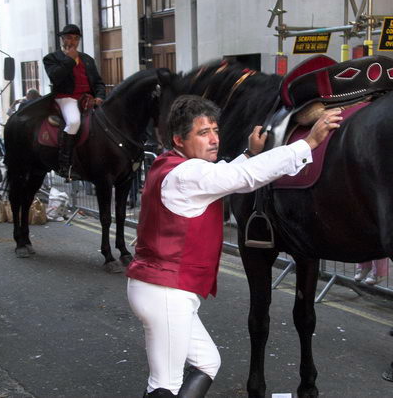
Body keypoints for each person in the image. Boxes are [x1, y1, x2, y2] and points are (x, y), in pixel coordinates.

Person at [126, 95, 342, 397]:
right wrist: (308, 144)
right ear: (178, 139)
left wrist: (248, 154)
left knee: (207, 362)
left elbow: (225, 177)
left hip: (165, 290)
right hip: (165, 292)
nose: (214, 139)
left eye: (215, 130)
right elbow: (242, 177)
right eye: (203, 133)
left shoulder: (174, 165)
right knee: (165, 385)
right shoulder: (188, 173)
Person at [43, 24, 106, 181]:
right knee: (74, 122)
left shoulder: (87, 59)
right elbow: (55, 77)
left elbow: (98, 82)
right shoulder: (52, 58)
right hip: (67, 98)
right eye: (69, 37)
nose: (73, 41)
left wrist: (99, 96)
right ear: (62, 39)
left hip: (88, 98)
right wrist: (69, 60)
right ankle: (65, 166)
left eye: (76, 38)